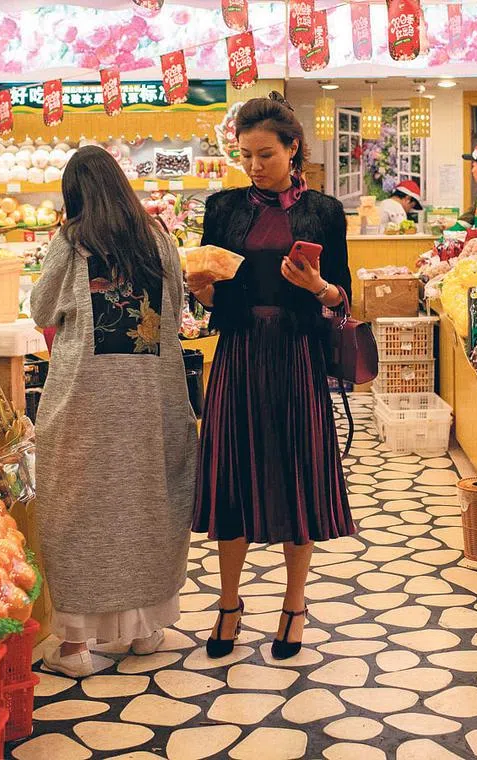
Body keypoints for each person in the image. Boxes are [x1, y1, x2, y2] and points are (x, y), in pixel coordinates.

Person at [188, 92, 354, 662]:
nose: (254, 166)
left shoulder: (324, 213)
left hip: (298, 355)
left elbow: (342, 298)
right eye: (245, 155)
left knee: (297, 477)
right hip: (237, 353)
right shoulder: (223, 208)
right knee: (230, 476)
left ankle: (294, 605)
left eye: (265, 154)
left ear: (293, 149)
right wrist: (202, 288)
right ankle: (228, 604)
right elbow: (214, 296)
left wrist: (318, 289)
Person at [31, 146, 197, 677]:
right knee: (150, 502)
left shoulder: (71, 241)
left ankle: (78, 648)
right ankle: (146, 629)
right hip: (154, 398)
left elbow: (39, 308)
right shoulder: (159, 239)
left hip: (85, 401)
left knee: (79, 508)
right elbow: (174, 312)